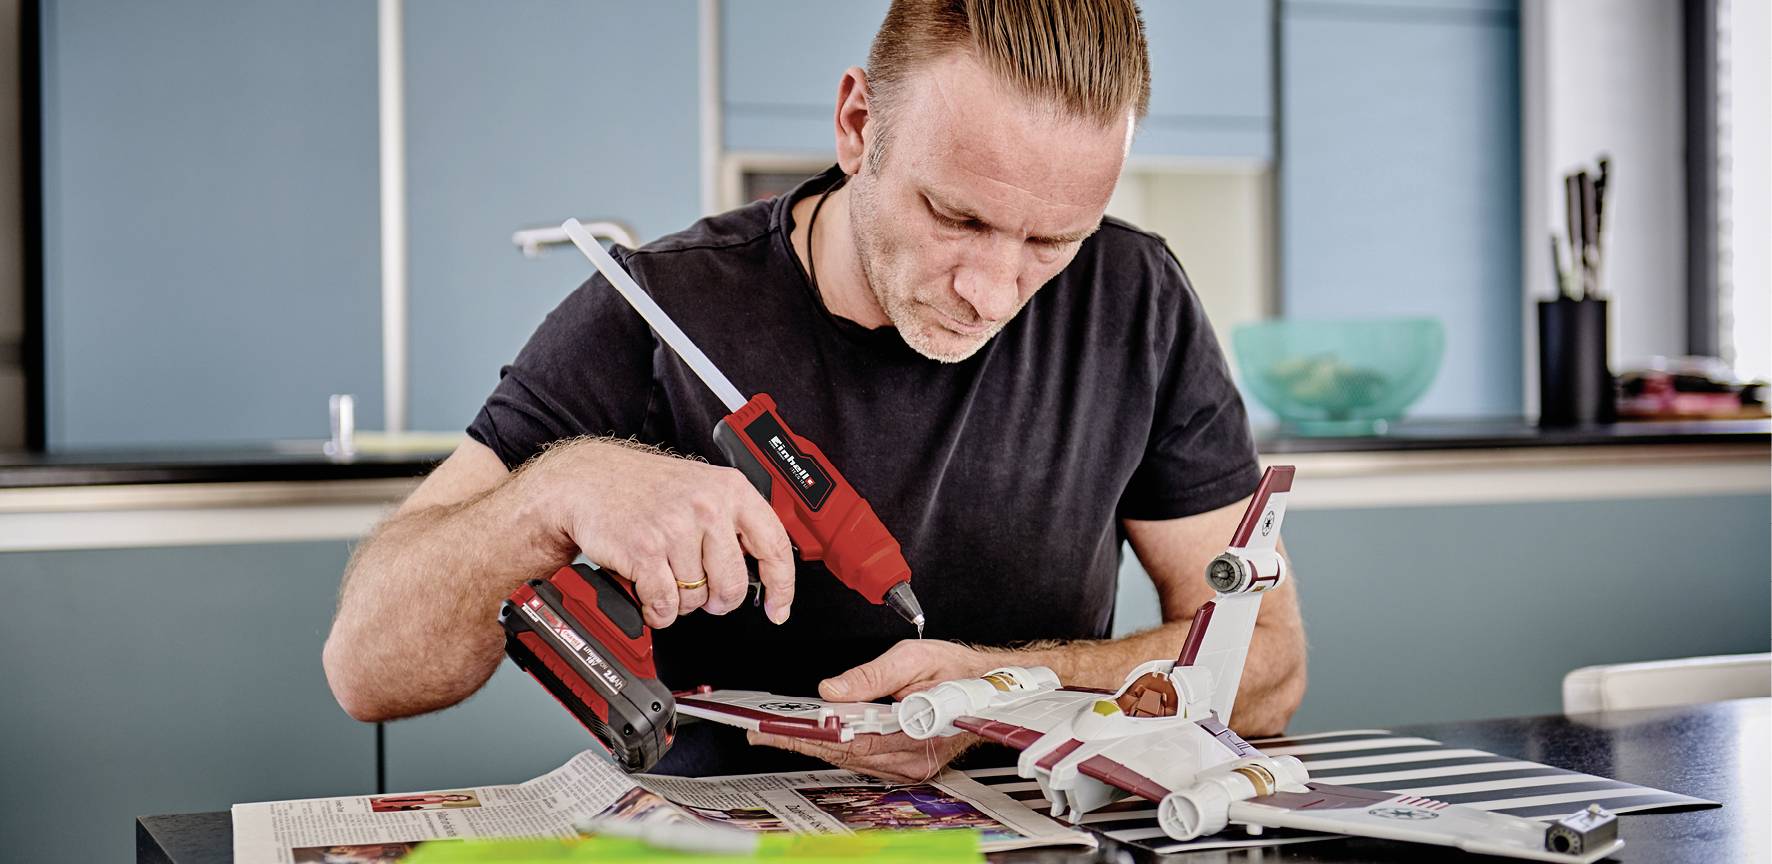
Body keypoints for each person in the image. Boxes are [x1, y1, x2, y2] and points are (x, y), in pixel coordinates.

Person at [323, 0, 1306, 781]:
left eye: (1053, 240)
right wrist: (553, 496)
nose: (990, 290)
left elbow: (1263, 663)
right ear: (855, 124)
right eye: (952, 214)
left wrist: (1008, 689)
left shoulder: (1133, 301)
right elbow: (366, 669)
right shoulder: (654, 308)